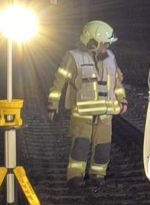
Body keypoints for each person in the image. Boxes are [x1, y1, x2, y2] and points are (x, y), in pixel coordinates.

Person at [47, 20, 127, 188]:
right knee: (80, 146)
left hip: (105, 115)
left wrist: (122, 100)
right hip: (82, 114)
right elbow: (58, 83)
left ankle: (98, 176)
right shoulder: (73, 57)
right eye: (104, 43)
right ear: (92, 41)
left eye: (108, 43)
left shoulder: (110, 58)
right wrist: (53, 105)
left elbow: (117, 82)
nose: (107, 46)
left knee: (103, 148)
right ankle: (75, 177)